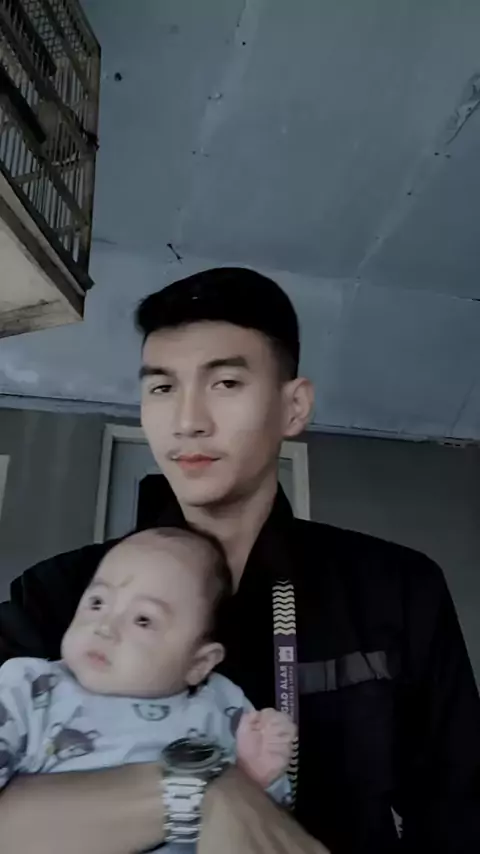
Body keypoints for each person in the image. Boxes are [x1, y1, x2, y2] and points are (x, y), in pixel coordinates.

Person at [0, 266, 479, 853]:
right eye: (162, 388)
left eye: (225, 383)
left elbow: (460, 816)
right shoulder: (59, 596)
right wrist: (205, 790)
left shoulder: (396, 588)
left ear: (293, 407)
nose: (187, 422)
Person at [0, 527, 294, 851]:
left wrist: (257, 776)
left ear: (198, 663)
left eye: (143, 620)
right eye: (97, 602)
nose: (104, 627)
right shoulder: (30, 687)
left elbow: (267, 828)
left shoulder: (220, 705)